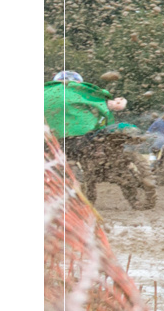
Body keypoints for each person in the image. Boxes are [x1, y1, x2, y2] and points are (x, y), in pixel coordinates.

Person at [44, 70, 154, 209]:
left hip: (53, 144)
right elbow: (113, 106)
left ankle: (69, 194)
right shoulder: (84, 91)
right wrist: (118, 102)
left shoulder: (45, 91)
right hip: (84, 140)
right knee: (116, 166)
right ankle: (135, 200)